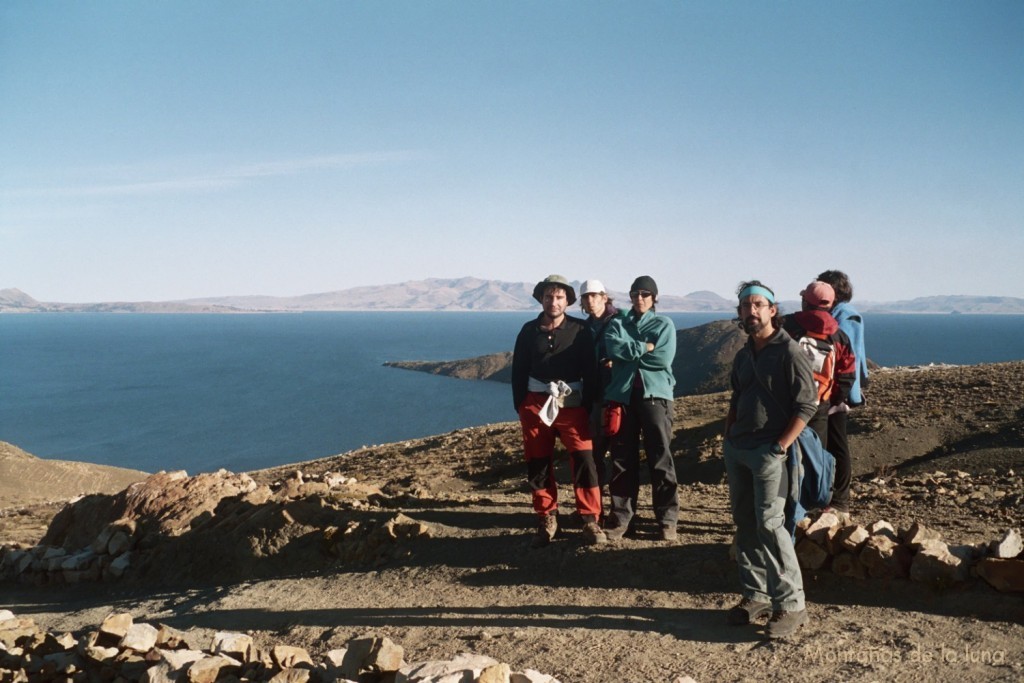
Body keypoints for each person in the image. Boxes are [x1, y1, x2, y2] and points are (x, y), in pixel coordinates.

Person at [724, 280, 817, 638]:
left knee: (771, 525)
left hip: (769, 453)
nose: (751, 311)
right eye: (746, 306)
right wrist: (729, 438)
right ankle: (756, 595)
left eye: (758, 305)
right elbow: (736, 398)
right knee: (746, 524)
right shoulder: (744, 354)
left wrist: (780, 447)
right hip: (739, 449)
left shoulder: (789, 352)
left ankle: (792, 605)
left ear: (772, 310)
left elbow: (807, 405)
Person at [512, 275, 605, 546]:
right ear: (541, 299)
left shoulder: (579, 330)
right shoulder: (528, 331)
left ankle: (590, 518)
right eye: (549, 297)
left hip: (571, 404)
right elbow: (518, 369)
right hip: (534, 404)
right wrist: (521, 404)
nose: (554, 301)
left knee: (584, 458)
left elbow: (591, 370)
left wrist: (587, 404)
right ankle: (547, 516)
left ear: (568, 301)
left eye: (560, 297)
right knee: (538, 461)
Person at [602, 275, 680, 542]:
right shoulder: (618, 323)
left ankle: (667, 520)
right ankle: (622, 519)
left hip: (655, 397)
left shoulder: (664, 324)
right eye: (635, 293)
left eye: (645, 294)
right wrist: (644, 346)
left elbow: (662, 357)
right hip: (623, 398)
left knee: (660, 459)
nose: (640, 298)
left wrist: (629, 353)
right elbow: (612, 347)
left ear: (654, 297)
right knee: (622, 460)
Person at [816, 269, 868, 520]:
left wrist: (841, 392)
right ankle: (827, 496)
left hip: (838, 390)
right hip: (833, 388)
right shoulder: (843, 315)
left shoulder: (846, 317)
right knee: (830, 443)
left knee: (837, 444)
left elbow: (845, 354)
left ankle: (840, 500)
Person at [781, 280, 855, 447]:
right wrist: (833, 400)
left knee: (782, 452)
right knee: (816, 454)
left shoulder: (785, 325)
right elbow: (847, 374)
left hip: (785, 401)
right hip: (819, 403)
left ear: (805, 302)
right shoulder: (839, 336)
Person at [579, 279, 622, 497]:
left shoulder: (621, 320)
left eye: (594, 295)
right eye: (585, 296)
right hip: (595, 398)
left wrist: (618, 361)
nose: (590, 300)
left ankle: (621, 510)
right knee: (593, 455)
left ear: (604, 297)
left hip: (618, 398)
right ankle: (597, 506)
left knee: (620, 455)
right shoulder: (584, 328)